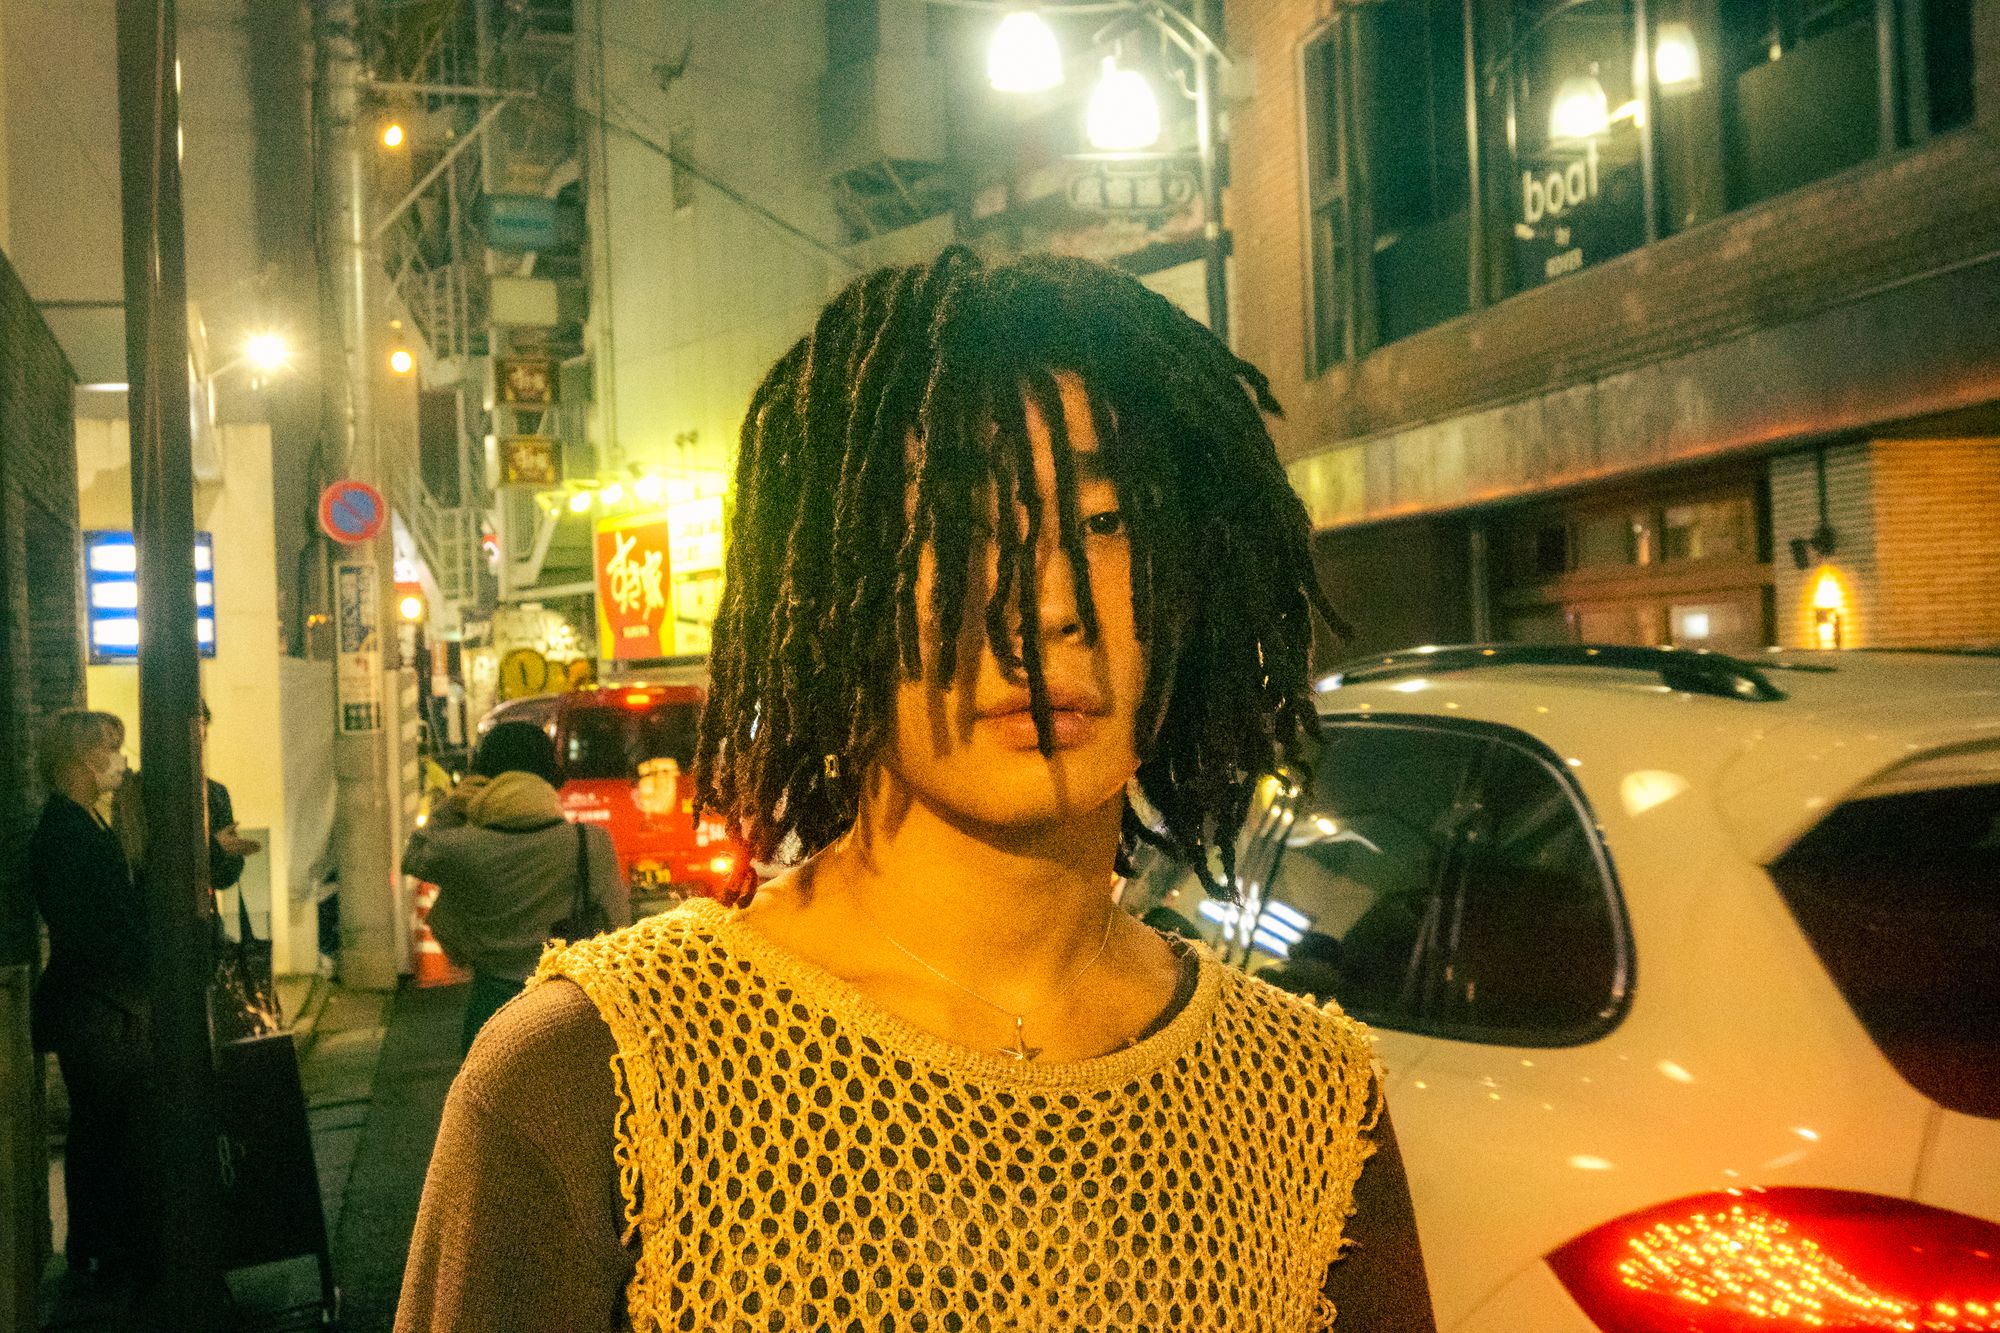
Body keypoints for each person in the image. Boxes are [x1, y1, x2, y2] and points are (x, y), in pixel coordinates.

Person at [398, 250, 1435, 1330]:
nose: (1044, 609)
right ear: (826, 589)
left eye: (1103, 524)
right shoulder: (595, 1075)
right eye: (954, 530)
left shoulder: (1305, 1104)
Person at [402, 721, 629, 1049]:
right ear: (548, 779)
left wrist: (455, 803)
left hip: (491, 1009)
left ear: (485, 782)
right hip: (570, 1006)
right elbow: (618, 926)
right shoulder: (589, 843)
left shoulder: (466, 848)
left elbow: (414, 855)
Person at [27, 709, 151, 1283]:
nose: (118, 760)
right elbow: (87, 925)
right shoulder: (64, 830)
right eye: (109, 746)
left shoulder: (87, 822)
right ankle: (97, 1243)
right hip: (92, 1004)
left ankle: (102, 1238)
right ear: (81, 756)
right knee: (101, 1122)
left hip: (98, 1000)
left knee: (109, 1121)